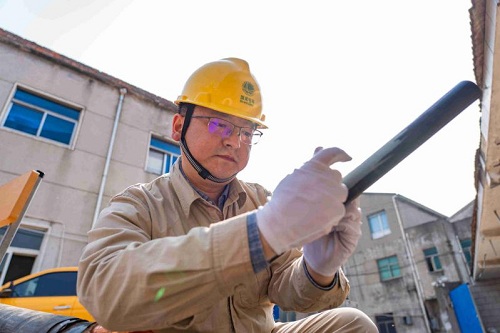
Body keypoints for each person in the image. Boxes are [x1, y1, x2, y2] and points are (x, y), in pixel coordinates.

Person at [77, 58, 378, 333]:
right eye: (219, 124)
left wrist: (318, 269)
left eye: (247, 132)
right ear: (179, 126)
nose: (235, 141)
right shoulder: (139, 206)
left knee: (353, 324)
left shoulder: (262, 201)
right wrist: (262, 232)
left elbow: (288, 289)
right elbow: (105, 292)